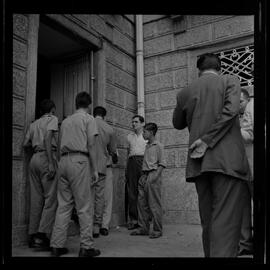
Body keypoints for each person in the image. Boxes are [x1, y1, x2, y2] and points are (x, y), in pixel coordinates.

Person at [172, 53, 251, 257]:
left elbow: (177, 123)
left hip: (199, 164)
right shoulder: (230, 81)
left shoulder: (185, 92)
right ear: (220, 68)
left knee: (208, 220)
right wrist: (208, 140)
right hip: (228, 162)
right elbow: (232, 110)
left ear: (198, 70)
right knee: (226, 221)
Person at [50, 91, 100, 257]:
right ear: (89, 104)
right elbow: (91, 145)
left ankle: (56, 245)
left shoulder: (65, 121)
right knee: (84, 206)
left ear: (76, 104)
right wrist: (94, 169)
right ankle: (86, 246)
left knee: (63, 205)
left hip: (63, 162)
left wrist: (59, 163)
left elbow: (58, 145)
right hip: (79, 161)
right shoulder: (89, 119)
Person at [23, 99, 58, 250]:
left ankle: (32, 235)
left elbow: (25, 144)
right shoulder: (53, 119)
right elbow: (49, 139)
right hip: (46, 157)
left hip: (34, 159)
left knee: (36, 198)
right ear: (52, 109)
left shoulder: (33, 124)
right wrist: (51, 161)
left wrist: (36, 144)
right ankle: (42, 236)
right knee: (51, 198)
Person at [130, 123, 166, 239]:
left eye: (145, 132)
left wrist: (154, 177)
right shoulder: (147, 146)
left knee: (154, 204)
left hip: (152, 175)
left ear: (151, 133)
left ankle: (157, 229)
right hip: (143, 176)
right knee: (142, 203)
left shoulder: (158, 145)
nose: (143, 134)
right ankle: (143, 228)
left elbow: (162, 164)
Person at [92, 106, 118, 238]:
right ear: (104, 116)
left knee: (89, 197)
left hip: (88, 166)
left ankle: (91, 225)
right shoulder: (109, 129)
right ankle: (104, 225)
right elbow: (113, 152)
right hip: (105, 166)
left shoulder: (88, 123)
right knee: (106, 198)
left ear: (94, 114)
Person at [238, 87, 254, 256]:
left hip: (252, 167)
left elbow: (249, 135)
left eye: (240, 101)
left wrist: (232, 127)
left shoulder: (252, 107)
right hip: (243, 169)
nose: (237, 105)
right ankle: (245, 244)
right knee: (243, 208)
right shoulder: (239, 115)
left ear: (247, 99)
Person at [125, 115, 147, 230]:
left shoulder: (146, 136)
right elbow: (128, 153)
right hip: (132, 163)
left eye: (136, 122)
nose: (134, 124)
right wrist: (126, 168)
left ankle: (144, 219)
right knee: (132, 192)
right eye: (133, 122)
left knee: (144, 192)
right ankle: (133, 220)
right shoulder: (129, 137)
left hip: (143, 162)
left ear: (143, 123)